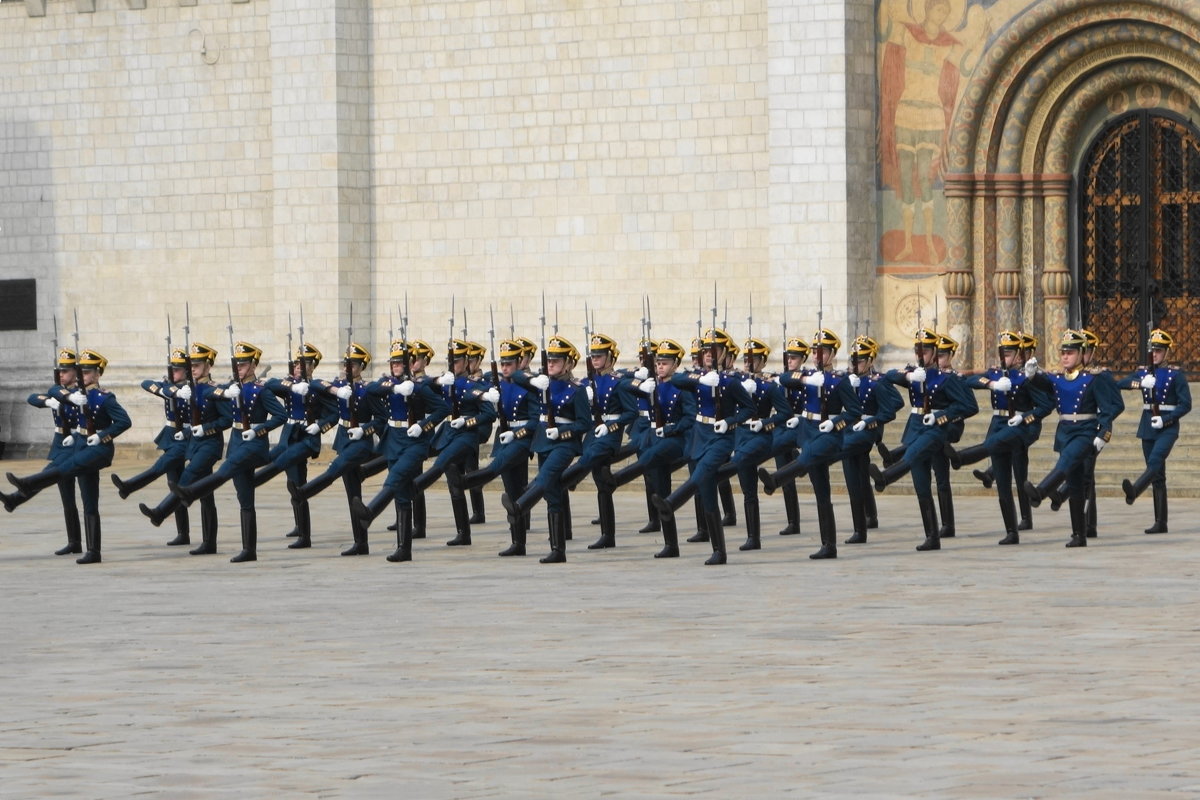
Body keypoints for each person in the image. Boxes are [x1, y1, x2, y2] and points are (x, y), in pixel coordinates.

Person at [5, 349, 131, 563]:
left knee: (79, 489)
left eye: (87, 372)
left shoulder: (103, 398)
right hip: (77, 445)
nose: (83, 375)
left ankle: (27, 486)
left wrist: (102, 436)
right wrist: (71, 430)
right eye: (81, 371)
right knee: (76, 495)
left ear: (97, 374)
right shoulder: (73, 395)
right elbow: (47, 397)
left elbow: (124, 421)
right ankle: (87, 548)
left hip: (93, 449)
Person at [172, 342, 286, 562]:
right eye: (237, 365)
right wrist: (186, 392)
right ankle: (249, 549)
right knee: (245, 498)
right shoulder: (230, 388)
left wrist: (259, 430)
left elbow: (280, 415)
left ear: (253, 365)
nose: (239, 369)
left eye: (243, 365)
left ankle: (190, 492)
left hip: (253, 445)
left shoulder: (261, 391)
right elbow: (209, 395)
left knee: (226, 469)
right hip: (235, 442)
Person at [650, 328, 755, 565]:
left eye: (714, 350)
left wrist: (729, 421)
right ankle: (719, 550)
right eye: (706, 350)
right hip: (699, 437)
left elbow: (749, 409)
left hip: (721, 438)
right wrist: (701, 379)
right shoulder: (695, 379)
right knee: (707, 493)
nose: (709, 354)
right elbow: (677, 379)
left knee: (704, 471)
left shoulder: (730, 382)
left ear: (724, 353)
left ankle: (672, 502)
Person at [870, 327, 977, 551]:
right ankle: (932, 536)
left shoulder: (946, 379)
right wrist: (908, 376)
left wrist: (941, 416)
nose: (921, 355)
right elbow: (887, 376)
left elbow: (969, 406)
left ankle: (886, 477)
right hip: (916, 427)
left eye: (926, 351)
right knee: (921, 484)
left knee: (918, 459)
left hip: (936, 430)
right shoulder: (914, 375)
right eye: (918, 351)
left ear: (935, 352)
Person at [760, 329, 862, 559]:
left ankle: (777, 479)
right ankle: (829, 545)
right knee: (821, 493)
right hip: (808, 432)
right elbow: (785, 378)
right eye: (816, 352)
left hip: (828, 436)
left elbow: (855, 412)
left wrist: (835, 423)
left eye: (823, 352)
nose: (818, 356)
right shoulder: (806, 377)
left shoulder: (839, 381)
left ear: (833, 354)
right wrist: (806, 379)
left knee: (807, 457)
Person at [594, 339, 697, 558]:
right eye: (658, 363)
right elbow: (622, 384)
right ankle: (671, 545)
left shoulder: (681, 386)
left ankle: (617, 479)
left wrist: (670, 430)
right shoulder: (651, 386)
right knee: (661, 492)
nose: (660, 367)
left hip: (675, 440)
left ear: (676, 365)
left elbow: (690, 418)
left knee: (652, 455)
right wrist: (639, 383)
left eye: (666, 363)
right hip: (654, 438)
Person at [349, 339, 449, 562]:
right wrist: (395, 387)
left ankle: (370, 512)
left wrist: (423, 425)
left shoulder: (420, 387)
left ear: (410, 363)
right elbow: (371, 389)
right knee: (402, 495)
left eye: (399, 363)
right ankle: (404, 549)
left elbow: (444, 408)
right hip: (393, 441)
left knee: (395, 478)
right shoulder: (389, 385)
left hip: (415, 443)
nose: (395, 366)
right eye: (392, 362)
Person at [950, 331, 1053, 544]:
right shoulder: (995, 374)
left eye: (1009, 353)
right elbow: (970, 381)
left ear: (1019, 355)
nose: (1004, 357)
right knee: (1003, 483)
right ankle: (1011, 530)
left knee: (1018, 471)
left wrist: (1025, 417)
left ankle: (963, 458)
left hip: (1019, 427)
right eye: (1003, 352)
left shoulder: (1027, 376)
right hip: (998, 424)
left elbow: (1046, 405)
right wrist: (992, 384)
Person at [1023, 330, 1125, 547]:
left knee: (1066, 461)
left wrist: (1103, 434)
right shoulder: (1058, 378)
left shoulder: (1093, 379)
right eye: (1063, 353)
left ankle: (1041, 492)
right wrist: (1032, 374)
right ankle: (1078, 534)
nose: (1065, 357)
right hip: (1065, 432)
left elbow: (1107, 410)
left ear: (1081, 354)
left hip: (1085, 432)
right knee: (1076, 484)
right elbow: (1044, 382)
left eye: (1070, 353)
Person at [445, 337, 542, 556]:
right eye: (503, 363)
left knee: (497, 466)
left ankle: (464, 482)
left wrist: (517, 433)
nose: (505, 367)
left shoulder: (529, 387)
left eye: (509, 364)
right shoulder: (497, 386)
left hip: (522, 439)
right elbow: (473, 391)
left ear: (519, 364)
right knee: (512, 491)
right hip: (503, 438)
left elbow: (536, 420)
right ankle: (518, 543)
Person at [500, 335, 590, 563]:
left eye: (557, 361)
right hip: (543, 443)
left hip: (564, 445)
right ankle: (557, 550)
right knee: (552, 493)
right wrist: (533, 382)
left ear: (568, 364)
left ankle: (519, 506)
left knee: (545, 476)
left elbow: (584, 424)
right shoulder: (542, 384)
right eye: (549, 360)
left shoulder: (576, 390)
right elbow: (516, 374)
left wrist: (562, 432)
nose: (551, 364)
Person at [288, 343, 381, 556]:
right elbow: (316, 385)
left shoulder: (366, 390)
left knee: (335, 467)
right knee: (353, 496)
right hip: (343, 440)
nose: (347, 368)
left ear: (361, 367)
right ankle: (361, 543)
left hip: (360, 442)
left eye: (353, 365)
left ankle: (304, 492)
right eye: (345, 363)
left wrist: (365, 430)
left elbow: (382, 420)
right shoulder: (338, 386)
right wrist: (335, 390)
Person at [138, 342, 230, 556]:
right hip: (193, 445)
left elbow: (227, 419)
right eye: (192, 365)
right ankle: (209, 542)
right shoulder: (189, 390)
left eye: (197, 365)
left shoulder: (213, 390)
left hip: (210, 445)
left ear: (208, 366)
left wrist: (205, 429)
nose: (194, 369)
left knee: (187, 479)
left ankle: (160, 512)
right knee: (206, 494)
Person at [409, 338, 497, 547]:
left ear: (466, 361)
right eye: (450, 362)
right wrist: (438, 382)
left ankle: (415, 487)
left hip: (465, 436)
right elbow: (420, 386)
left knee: (450, 464)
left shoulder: (473, 386)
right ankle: (462, 532)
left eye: (456, 361)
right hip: (448, 434)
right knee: (454, 483)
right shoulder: (445, 383)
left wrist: (467, 421)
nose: (453, 366)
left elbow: (488, 415)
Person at [251, 342, 338, 549]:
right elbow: (271, 384)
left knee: (298, 483)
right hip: (289, 436)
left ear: (312, 366)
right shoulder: (290, 384)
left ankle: (305, 535)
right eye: (296, 364)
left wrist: (320, 426)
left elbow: (335, 413)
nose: (298, 367)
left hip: (306, 437)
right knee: (292, 483)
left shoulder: (316, 388)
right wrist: (292, 385)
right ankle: (299, 525)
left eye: (303, 364)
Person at [559, 333, 638, 550]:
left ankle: (563, 481)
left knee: (590, 461)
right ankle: (607, 535)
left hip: (610, 436)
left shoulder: (618, 383)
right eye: (593, 355)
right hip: (593, 434)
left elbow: (631, 413)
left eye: (599, 355)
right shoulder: (586, 382)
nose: (595, 359)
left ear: (610, 357)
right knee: (602, 482)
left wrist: (611, 426)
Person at [2, 348, 84, 556]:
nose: (62, 375)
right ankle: (74, 541)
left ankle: (18, 495)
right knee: (66, 497)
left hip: (74, 445)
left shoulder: (81, 394)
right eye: (60, 372)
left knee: (49, 473)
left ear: (75, 372)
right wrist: (47, 401)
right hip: (59, 444)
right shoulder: (57, 391)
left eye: (65, 371)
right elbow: (32, 397)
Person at [110, 348, 193, 546]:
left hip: (185, 437)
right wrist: (170, 390)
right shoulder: (170, 386)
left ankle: (129, 486)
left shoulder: (191, 389)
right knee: (175, 485)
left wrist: (182, 393)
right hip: (170, 436)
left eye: (178, 370)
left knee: (160, 467)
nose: (174, 373)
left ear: (187, 371)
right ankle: (183, 534)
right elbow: (146, 384)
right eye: (172, 369)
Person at [826, 335, 902, 544]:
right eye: (853, 360)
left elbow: (894, 405)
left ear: (870, 360)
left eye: (860, 360)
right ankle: (866, 520)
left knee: (852, 467)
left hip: (869, 430)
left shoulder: (878, 382)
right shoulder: (848, 380)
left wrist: (872, 420)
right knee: (856, 477)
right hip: (850, 428)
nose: (855, 364)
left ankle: (862, 527)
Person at [718, 337, 790, 552]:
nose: (749, 364)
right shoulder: (735, 382)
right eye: (747, 360)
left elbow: (785, 413)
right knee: (748, 490)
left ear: (763, 363)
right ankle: (753, 537)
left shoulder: (769, 387)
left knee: (742, 467)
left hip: (759, 437)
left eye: (754, 360)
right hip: (740, 436)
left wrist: (765, 423)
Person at [1116, 329, 1191, 532]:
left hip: (1167, 427)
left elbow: (1186, 405)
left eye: (1159, 351)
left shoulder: (1176, 376)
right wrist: (1140, 383)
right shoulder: (1144, 372)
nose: (1155, 354)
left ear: (1167, 352)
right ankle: (1161, 522)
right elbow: (1120, 383)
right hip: (1148, 426)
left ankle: (1135, 490)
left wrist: (1166, 419)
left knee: (1155, 461)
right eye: (1153, 351)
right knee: (1158, 475)